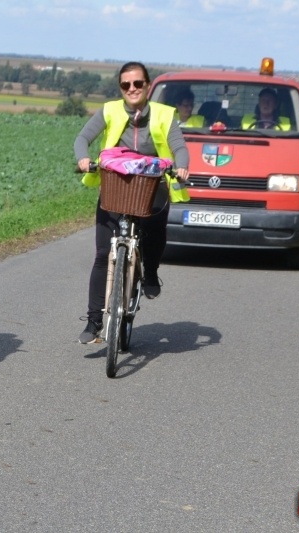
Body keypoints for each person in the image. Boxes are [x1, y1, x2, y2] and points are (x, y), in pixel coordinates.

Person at [74, 61, 190, 344]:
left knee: (156, 230)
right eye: (126, 85)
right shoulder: (110, 110)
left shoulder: (163, 115)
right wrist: (83, 158)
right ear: (120, 88)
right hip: (116, 186)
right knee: (103, 254)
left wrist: (183, 166)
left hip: (151, 185)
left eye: (138, 83)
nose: (132, 89)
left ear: (148, 85)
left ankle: (150, 273)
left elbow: (179, 147)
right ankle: (93, 322)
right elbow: (83, 137)